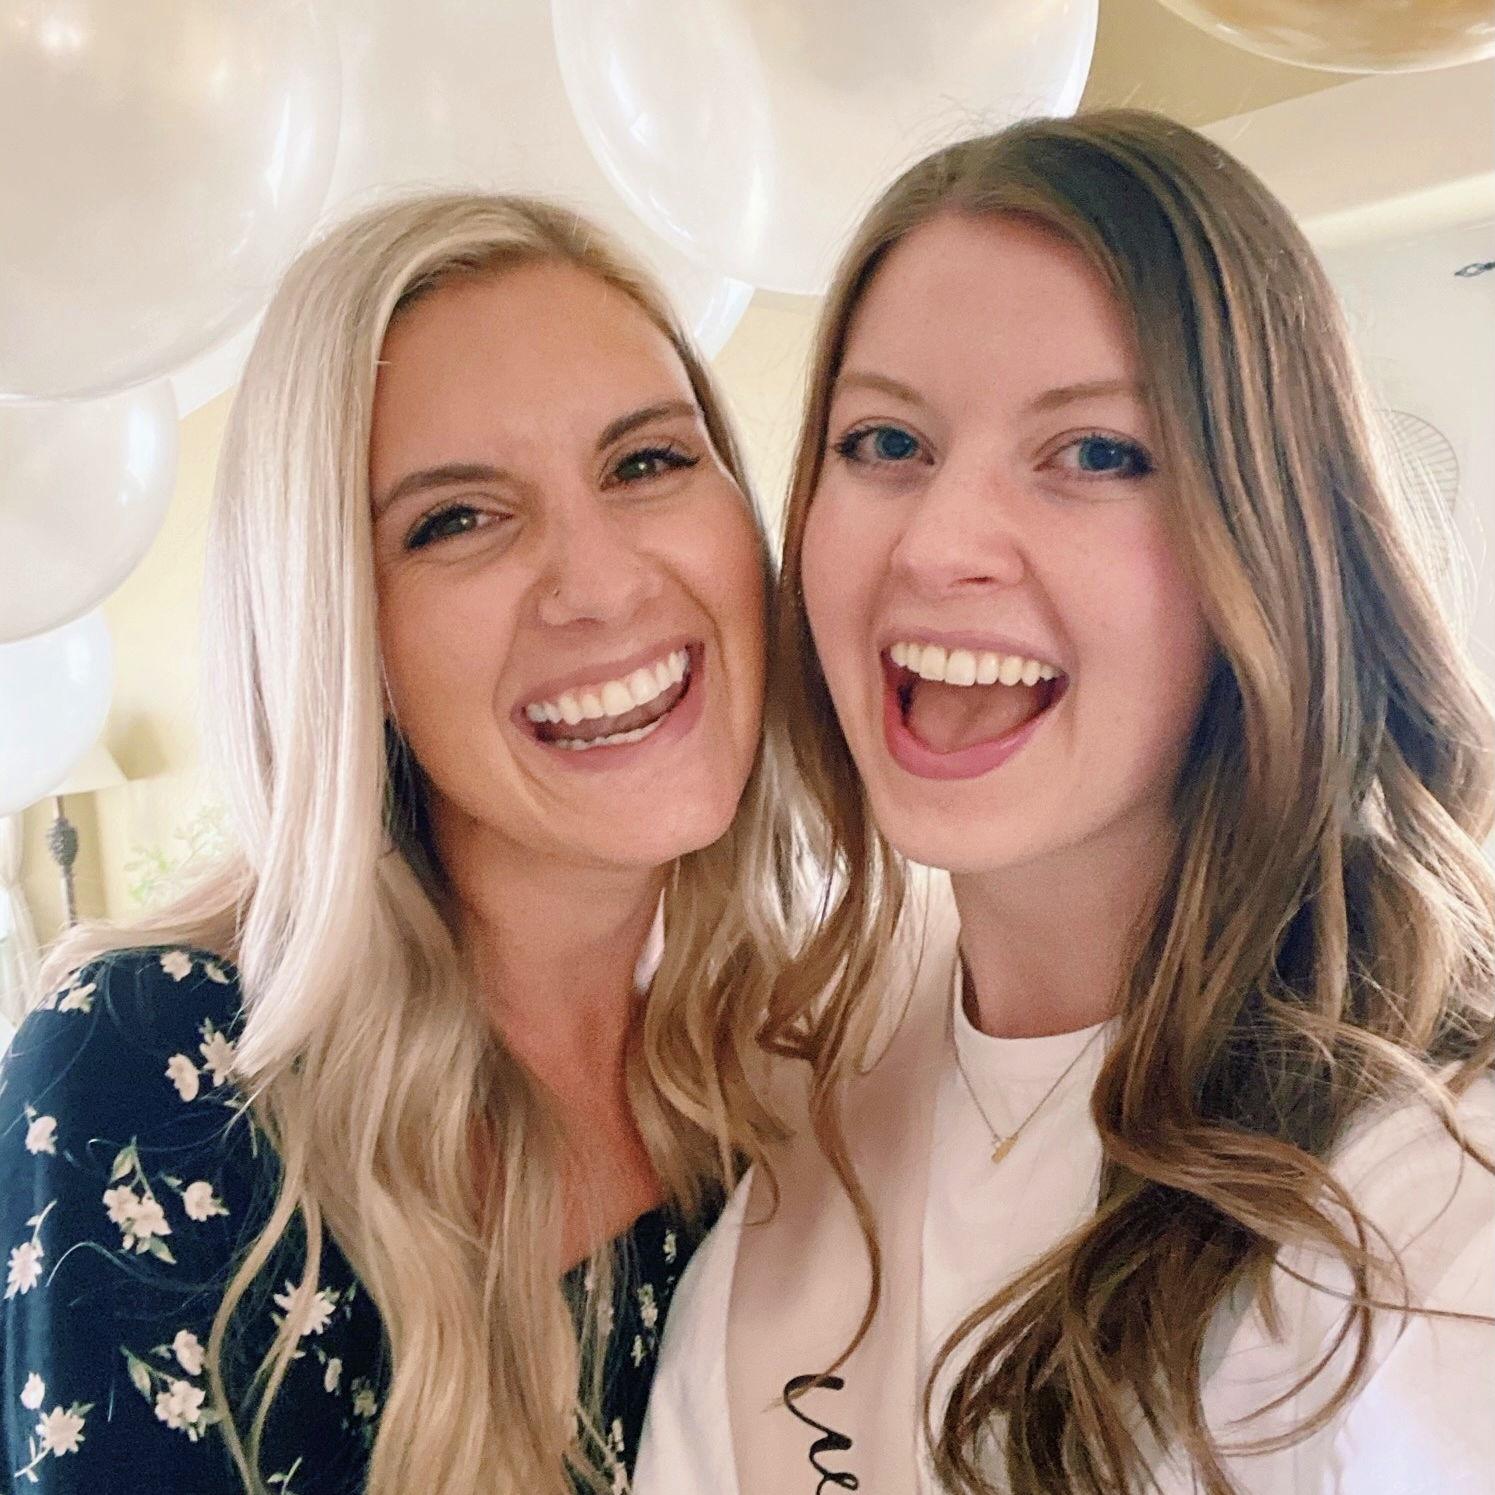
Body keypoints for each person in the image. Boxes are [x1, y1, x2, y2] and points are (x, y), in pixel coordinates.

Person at [636, 111, 1495, 1494]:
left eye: (1096, 453)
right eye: (886, 440)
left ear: (1275, 542)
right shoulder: (778, 1152)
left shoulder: (1433, 1201)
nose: (940, 544)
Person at [0, 193, 788, 1495]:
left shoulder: (785, 1069)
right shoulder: (158, 1069)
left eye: (647, 462)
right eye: (458, 520)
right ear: (347, 637)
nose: (603, 585)